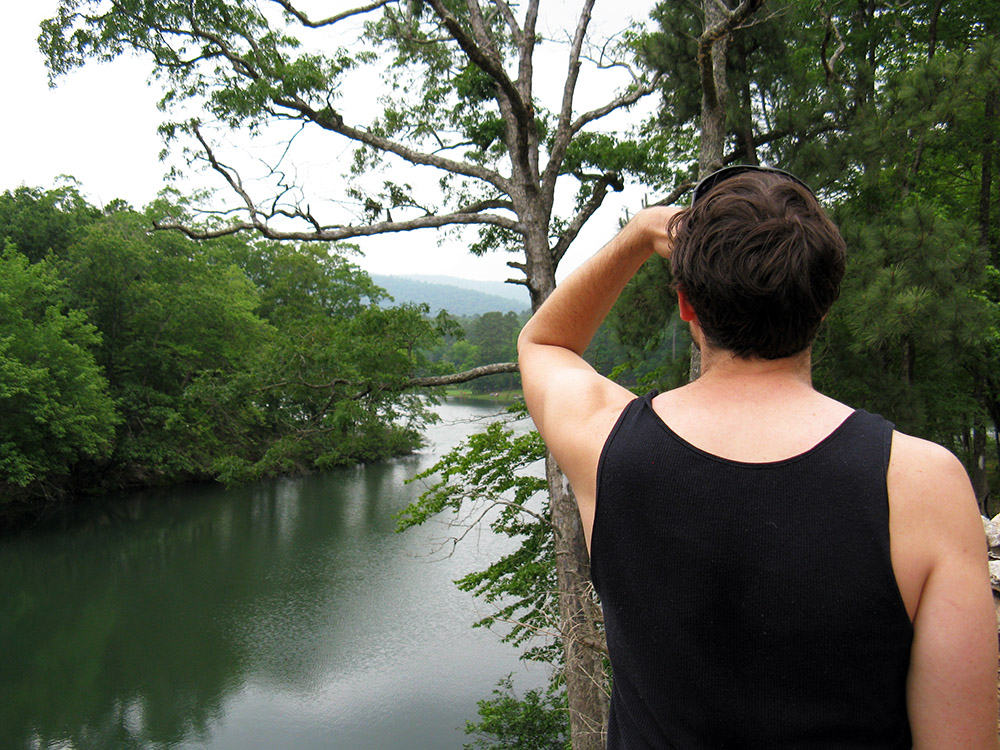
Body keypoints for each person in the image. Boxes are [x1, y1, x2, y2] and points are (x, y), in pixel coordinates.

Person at [517, 166, 999, 749]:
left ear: (687, 306)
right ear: (823, 307)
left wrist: (640, 233)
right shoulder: (923, 485)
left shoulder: (607, 446)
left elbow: (543, 342)